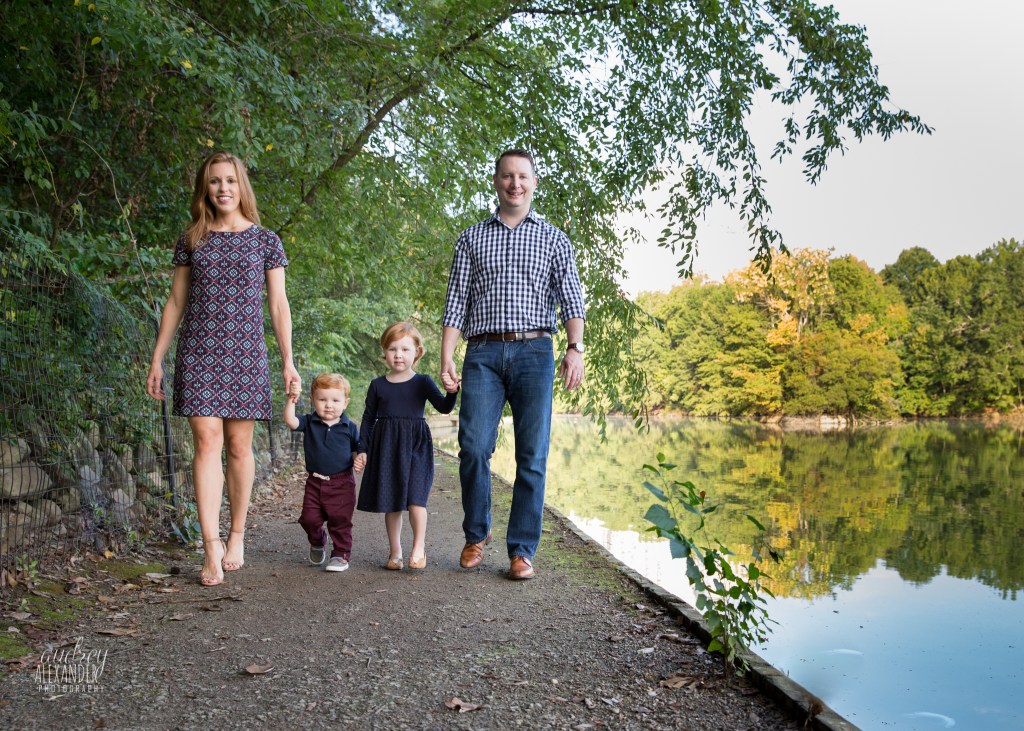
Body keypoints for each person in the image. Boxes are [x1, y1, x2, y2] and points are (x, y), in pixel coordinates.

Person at [147, 151, 300, 587]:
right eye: (214, 181)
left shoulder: (266, 240)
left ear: (241, 185)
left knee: (238, 447)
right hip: (199, 351)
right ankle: (210, 546)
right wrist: (157, 357)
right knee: (206, 442)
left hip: (246, 355)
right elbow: (176, 301)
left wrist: (288, 361)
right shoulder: (192, 239)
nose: (223, 188)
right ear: (205, 188)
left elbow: (278, 305)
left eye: (230, 180)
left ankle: (237, 535)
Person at [440, 148, 586, 581]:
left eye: (522, 176)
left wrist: (575, 348)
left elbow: (572, 299)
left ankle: (522, 551)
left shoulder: (554, 239)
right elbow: (455, 302)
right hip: (482, 353)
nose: (515, 183)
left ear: (534, 182)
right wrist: (447, 354)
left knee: (532, 456)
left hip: (534, 353)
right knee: (473, 447)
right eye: (507, 176)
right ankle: (476, 534)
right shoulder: (471, 238)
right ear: (496, 181)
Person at [357, 322, 458, 570]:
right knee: (391, 503)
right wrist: (362, 449)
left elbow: (444, 407)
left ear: (417, 352)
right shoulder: (378, 385)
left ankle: (418, 549)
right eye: (392, 349)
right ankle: (395, 552)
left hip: (416, 446)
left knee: (416, 499)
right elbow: (368, 419)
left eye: (405, 349)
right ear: (384, 352)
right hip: (387, 447)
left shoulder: (422, 382)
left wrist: (453, 391)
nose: (398, 355)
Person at [284, 374, 363, 572]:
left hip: (342, 483)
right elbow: (291, 421)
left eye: (335, 400)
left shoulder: (349, 427)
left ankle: (340, 555)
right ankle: (318, 540)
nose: (329, 405)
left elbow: (357, 449)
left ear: (345, 403)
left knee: (340, 520)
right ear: (313, 400)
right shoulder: (310, 422)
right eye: (322, 399)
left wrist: (359, 458)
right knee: (309, 519)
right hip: (315, 482)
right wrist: (291, 399)